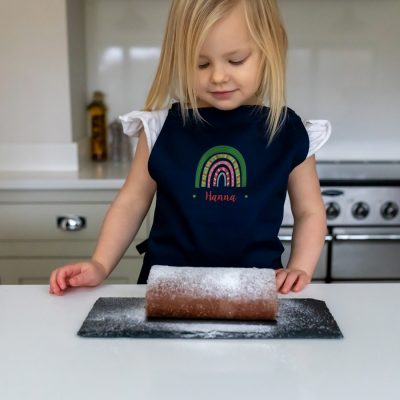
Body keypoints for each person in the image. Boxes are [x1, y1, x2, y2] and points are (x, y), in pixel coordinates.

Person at [49, 0, 331, 297]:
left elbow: (309, 211)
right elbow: (131, 203)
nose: (218, 76)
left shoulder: (288, 131)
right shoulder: (160, 129)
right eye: (201, 63)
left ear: (270, 50)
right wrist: (100, 264)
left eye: (236, 60)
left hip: (255, 291)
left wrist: (299, 267)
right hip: (168, 290)